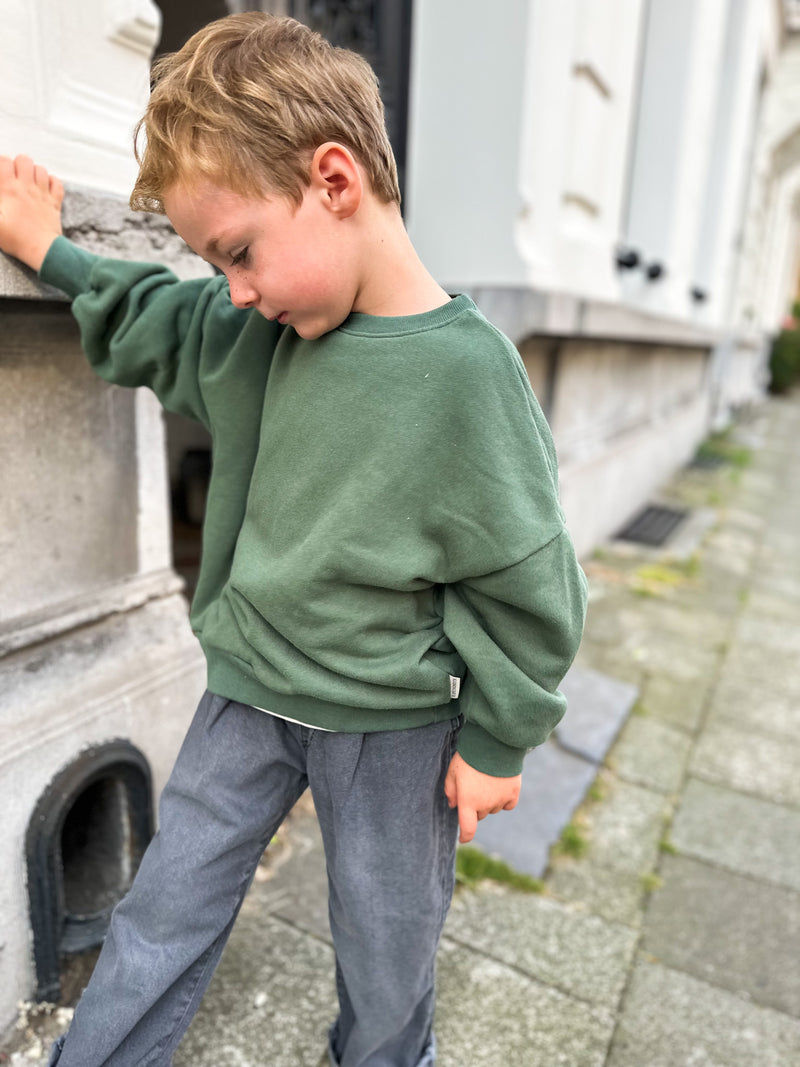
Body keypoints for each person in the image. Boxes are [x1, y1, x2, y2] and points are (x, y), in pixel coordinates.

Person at [0, 12, 587, 1067]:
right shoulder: (253, 333)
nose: (233, 287)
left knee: (387, 948)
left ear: (331, 180)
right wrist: (48, 248)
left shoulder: (466, 376)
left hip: (394, 726)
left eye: (237, 252)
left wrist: (498, 741)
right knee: (161, 912)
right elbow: (158, 318)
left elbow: (525, 580)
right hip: (246, 697)